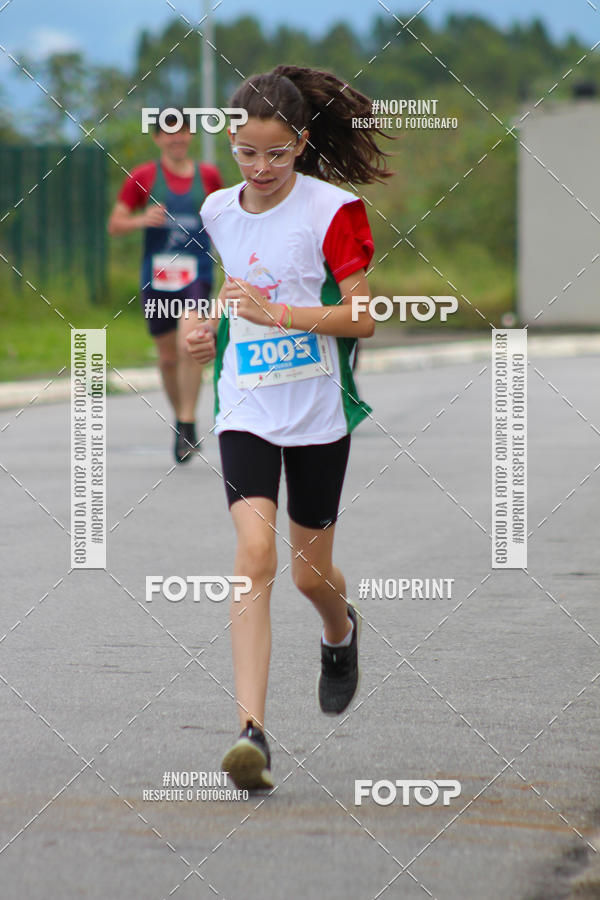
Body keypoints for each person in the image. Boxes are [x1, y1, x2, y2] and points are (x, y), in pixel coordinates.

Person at [187, 65, 391, 790]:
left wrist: (284, 316)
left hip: (315, 412)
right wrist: (204, 326)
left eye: (277, 153)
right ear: (232, 143)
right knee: (254, 555)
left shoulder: (333, 213)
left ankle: (341, 632)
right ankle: (251, 734)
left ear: (302, 143)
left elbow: (362, 317)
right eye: (248, 153)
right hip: (244, 405)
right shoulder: (216, 210)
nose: (262, 167)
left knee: (309, 574)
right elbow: (232, 285)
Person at [108, 110, 223, 463]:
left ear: (190, 136)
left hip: (196, 275)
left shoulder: (208, 176)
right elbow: (116, 223)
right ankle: (180, 420)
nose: (178, 139)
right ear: (158, 138)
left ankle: (187, 421)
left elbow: (226, 219)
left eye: (184, 132)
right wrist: (142, 218)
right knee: (168, 356)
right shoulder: (144, 176)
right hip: (156, 278)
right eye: (170, 133)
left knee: (190, 342)